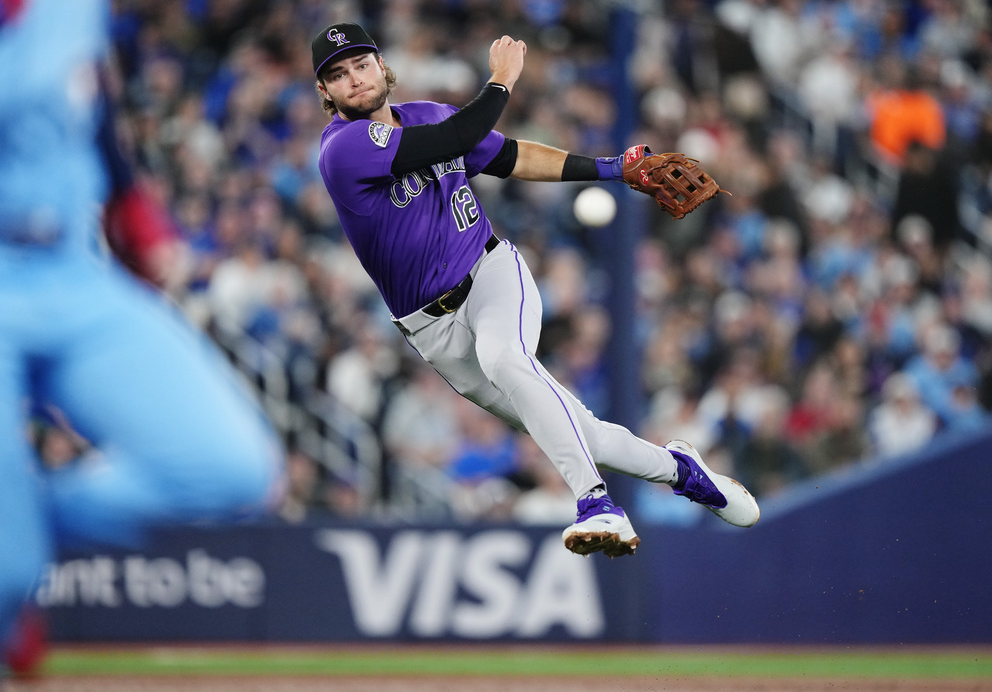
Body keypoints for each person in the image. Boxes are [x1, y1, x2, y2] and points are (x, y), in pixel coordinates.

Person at [311, 22, 760, 559]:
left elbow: (511, 158)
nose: (354, 80)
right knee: (580, 433)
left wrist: (612, 169)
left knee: (505, 358)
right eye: (338, 75)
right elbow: (454, 141)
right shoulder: (343, 149)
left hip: (490, 274)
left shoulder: (428, 112)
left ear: (382, 66)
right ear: (326, 92)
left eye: (361, 64)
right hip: (432, 330)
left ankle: (595, 503)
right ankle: (682, 471)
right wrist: (501, 81)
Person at [0, 1, 284, 686]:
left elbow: (85, 90)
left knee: (232, 468)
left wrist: (130, 209)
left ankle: (16, 532)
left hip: (71, 267)